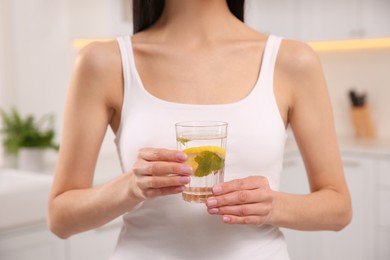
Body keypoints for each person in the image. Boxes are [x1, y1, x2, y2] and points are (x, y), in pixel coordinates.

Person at [48, 0, 352, 259]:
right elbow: (61, 218)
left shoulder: (292, 60)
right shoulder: (102, 62)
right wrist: (130, 187)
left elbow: (338, 208)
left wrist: (274, 205)